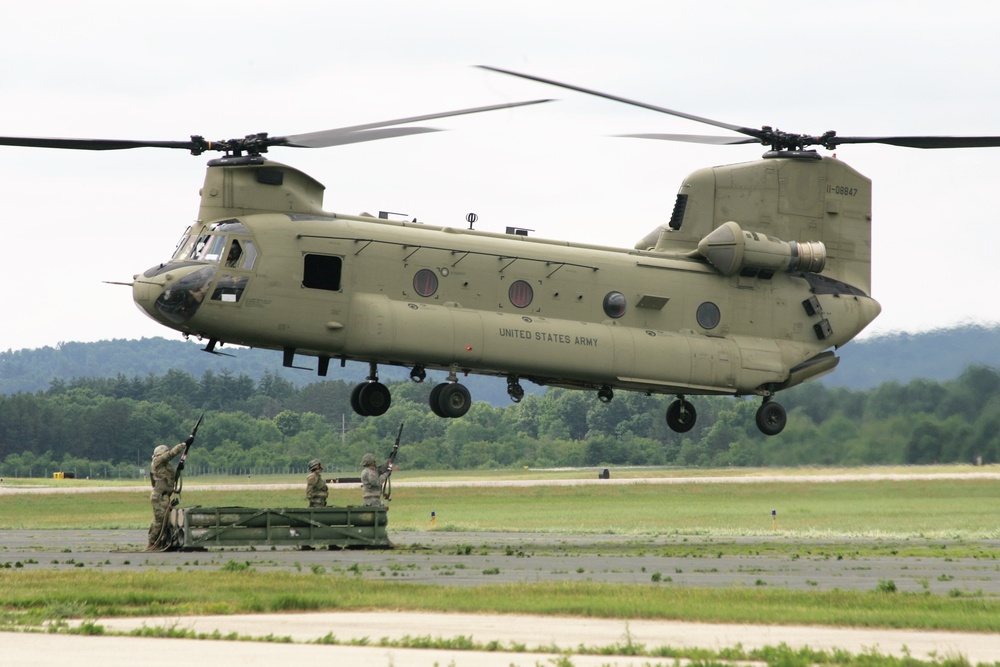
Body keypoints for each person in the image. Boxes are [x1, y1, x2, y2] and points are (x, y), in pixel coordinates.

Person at [146, 438, 191, 551]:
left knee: (165, 521)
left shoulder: (165, 466)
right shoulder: (157, 461)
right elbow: (171, 454)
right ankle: (152, 544)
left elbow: (170, 480)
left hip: (165, 496)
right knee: (160, 521)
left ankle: (160, 542)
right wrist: (184, 444)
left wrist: (178, 469)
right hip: (160, 497)